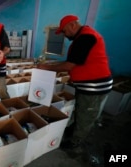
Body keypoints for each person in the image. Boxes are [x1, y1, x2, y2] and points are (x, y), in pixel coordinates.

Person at [37, 15, 113, 153]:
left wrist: (46, 68)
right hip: (87, 85)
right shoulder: (82, 36)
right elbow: (79, 63)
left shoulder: (85, 37)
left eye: (64, 31)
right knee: (80, 110)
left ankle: (76, 142)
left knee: (86, 116)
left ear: (72, 25)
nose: (65, 36)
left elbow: (70, 65)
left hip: (95, 87)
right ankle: (73, 131)